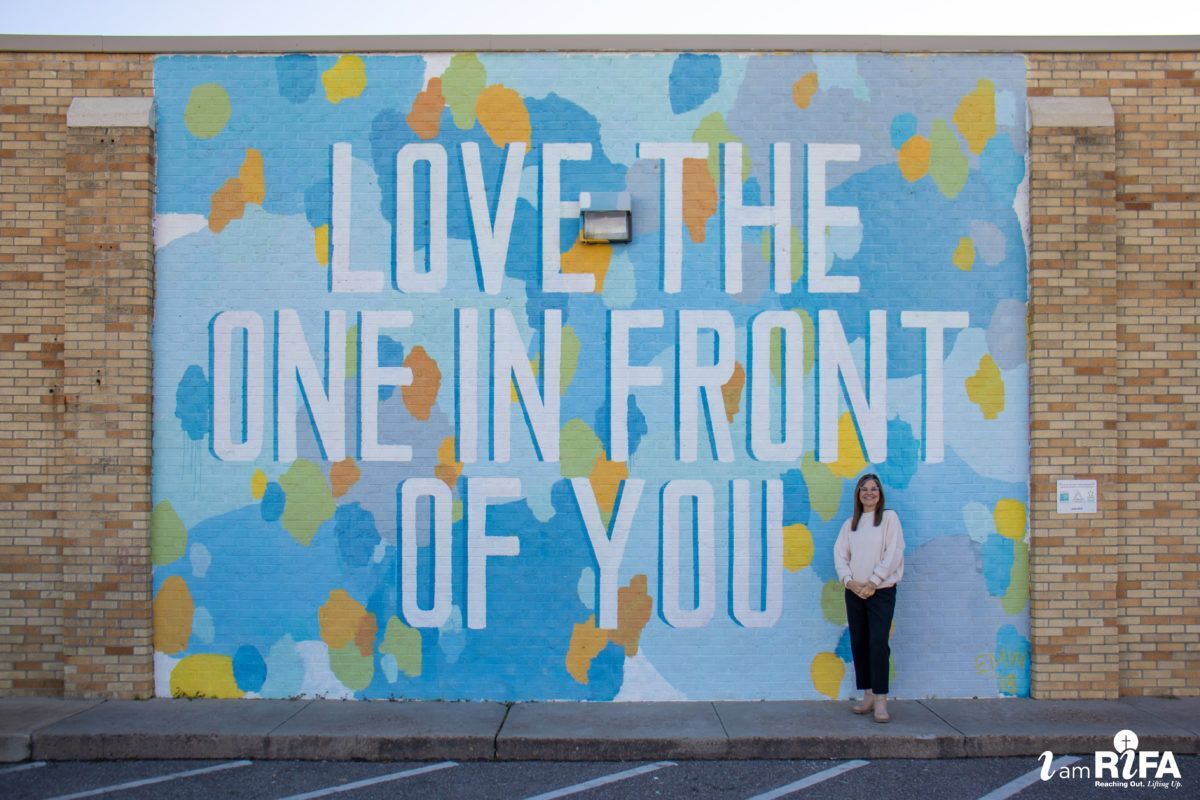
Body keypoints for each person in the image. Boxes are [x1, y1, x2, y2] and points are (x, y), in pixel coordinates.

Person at [833, 473, 905, 723]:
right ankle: (868, 696)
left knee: (877, 643)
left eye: (874, 489)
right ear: (858, 494)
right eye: (864, 489)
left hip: (881, 592)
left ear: (880, 493)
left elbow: (893, 552)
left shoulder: (888, 519)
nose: (869, 493)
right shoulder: (850, 524)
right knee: (860, 642)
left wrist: (874, 582)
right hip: (854, 592)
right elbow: (840, 555)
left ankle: (881, 701)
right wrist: (850, 581)